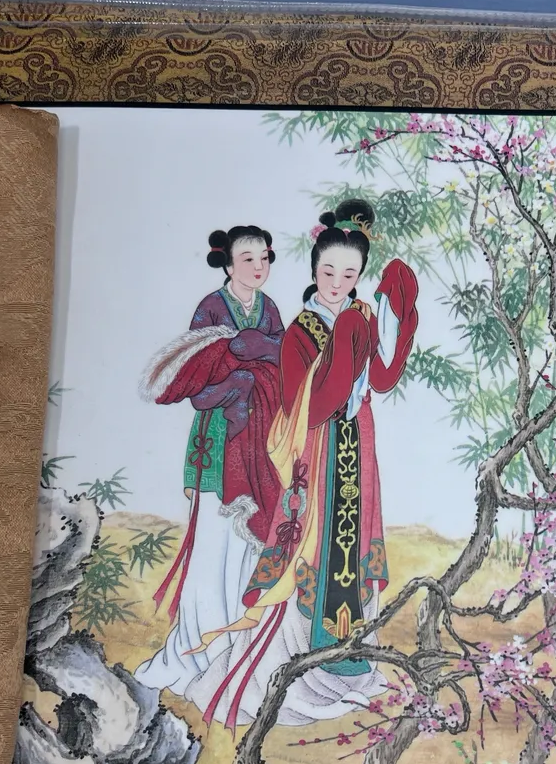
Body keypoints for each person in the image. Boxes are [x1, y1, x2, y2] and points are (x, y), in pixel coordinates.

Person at [190, 198, 420, 731]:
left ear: (359, 276)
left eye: (349, 275)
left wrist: (400, 314)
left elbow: (381, 378)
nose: (337, 283)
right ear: (314, 271)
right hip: (317, 450)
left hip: (357, 445)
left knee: (355, 541)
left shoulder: (361, 317)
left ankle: (352, 652)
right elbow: (305, 406)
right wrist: (346, 343)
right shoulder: (301, 330)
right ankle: (305, 654)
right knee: (315, 546)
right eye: (328, 272)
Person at [134, 225, 286, 704]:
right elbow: (194, 385)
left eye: (263, 258)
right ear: (228, 263)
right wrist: (242, 382)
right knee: (212, 549)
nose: (257, 267)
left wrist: (263, 362)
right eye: (247, 259)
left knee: (249, 547)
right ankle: (197, 650)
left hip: (261, 442)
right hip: (218, 440)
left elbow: (287, 366)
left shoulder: (270, 309)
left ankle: (239, 647)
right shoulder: (211, 308)